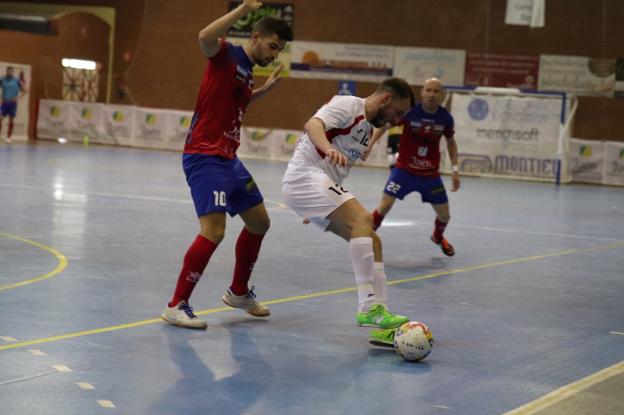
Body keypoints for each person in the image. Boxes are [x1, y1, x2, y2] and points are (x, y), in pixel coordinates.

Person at [161, 0, 294, 329]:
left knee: (260, 222)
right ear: (256, 35)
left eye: (279, 50)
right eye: (272, 46)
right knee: (214, 231)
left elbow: (241, 101)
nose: (274, 55)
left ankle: (238, 292)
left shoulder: (247, 71)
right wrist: (244, 8)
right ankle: (177, 304)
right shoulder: (226, 54)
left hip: (229, 159)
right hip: (204, 156)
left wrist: (266, 89)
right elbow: (204, 35)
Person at [281, 77, 414, 335]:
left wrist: (317, 206)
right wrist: (328, 148)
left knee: (374, 241)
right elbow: (312, 125)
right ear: (385, 99)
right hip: (304, 176)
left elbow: (337, 175)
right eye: (398, 112)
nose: (398, 120)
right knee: (363, 219)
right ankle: (367, 309)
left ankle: (381, 322)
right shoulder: (348, 105)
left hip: (316, 188)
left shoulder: (366, 132)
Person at [367, 77, 460, 256]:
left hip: (430, 176)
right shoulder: (409, 112)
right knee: (384, 206)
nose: (432, 94)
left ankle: (437, 237)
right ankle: (366, 238)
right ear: (422, 92)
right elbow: (385, 126)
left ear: (442, 95)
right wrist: (370, 144)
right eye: (428, 90)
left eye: (436, 91)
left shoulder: (445, 118)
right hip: (404, 172)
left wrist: (455, 170)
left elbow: (451, 142)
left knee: (445, 216)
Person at [0, 66, 26, 144]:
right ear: (6, 71)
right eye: (8, 71)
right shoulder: (2, 79)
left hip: (12, 104)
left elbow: (25, 89)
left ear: (12, 72)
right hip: (4, 103)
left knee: (11, 120)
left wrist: (18, 97)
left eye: (10, 71)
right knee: (0, 119)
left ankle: (9, 137)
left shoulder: (16, 81)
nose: (9, 72)